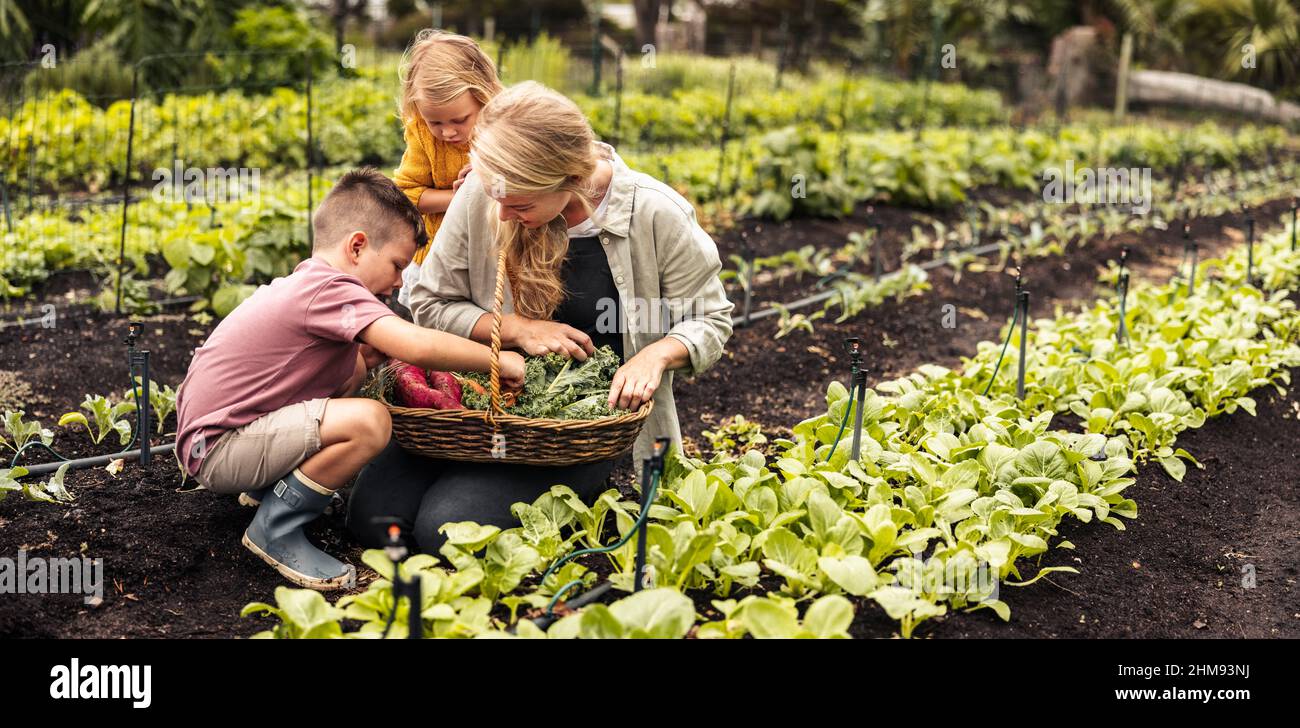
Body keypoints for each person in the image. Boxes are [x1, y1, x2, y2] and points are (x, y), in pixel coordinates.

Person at [347, 82, 733, 554]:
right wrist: (517, 329)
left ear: (569, 179)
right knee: (372, 521)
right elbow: (429, 301)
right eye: (495, 196)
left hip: (577, 428)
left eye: (521, 205)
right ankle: (465, 472)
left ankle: (581, 487)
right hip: (478, 408)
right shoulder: (488, 192)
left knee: (442, 532)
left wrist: (654, 356)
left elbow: (709, 318)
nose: (502, 212)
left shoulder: (655, 214)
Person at [174, 168, 525, 590]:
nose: (398, 284)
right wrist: (498, 358)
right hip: (220, 449)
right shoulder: (331, 288)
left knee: (354, 368)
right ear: (357, 246)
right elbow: (411, 344)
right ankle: (274, 529)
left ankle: (269, 487)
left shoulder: (309, 282)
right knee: (370, 421)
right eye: (397, 265)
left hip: (211, 438)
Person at [392, 30, 503, 308]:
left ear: (483, 95)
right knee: (433, 323)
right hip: (436, 255)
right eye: (436, 122)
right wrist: (461, 198)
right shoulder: (421, 133)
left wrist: (485, 179)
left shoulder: (506, 127)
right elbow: (406, 194)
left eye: (459, 119)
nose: (448, 132)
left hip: (496, 255)